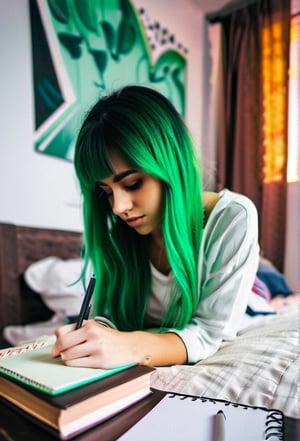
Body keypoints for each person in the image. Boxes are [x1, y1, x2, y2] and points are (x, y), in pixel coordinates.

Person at [52, 85, 259, 369]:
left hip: (247, 302)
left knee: (263, 293)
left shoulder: (232, 217)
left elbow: (212, 333)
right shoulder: (121, 235)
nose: (118, 207)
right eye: (106, 191)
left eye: (132, 183)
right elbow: (112, 316)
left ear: (171, 163)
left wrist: (130, 346)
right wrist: (95, 333)